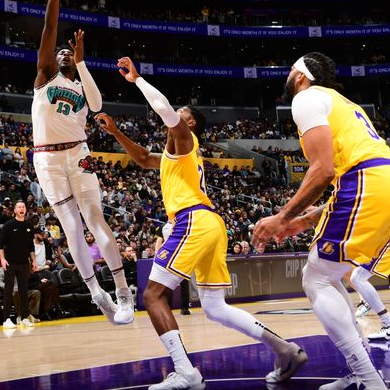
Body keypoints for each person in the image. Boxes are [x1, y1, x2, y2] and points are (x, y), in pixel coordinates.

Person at [96, 57, 306, 390]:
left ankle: (187, 372)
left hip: (192, 219)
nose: (177, 115)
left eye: (184, 113)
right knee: (214, 307)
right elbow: (141, 158)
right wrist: (116, 131)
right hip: (209, 223)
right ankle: (284, 350)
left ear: (191, 124)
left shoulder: (185, 140)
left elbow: (164, 109)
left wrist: (137, 80)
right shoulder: (171, 157)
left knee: (152, 297)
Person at [252, 53, 390, 390]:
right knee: (329, 274)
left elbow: (323, 170)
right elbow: (343, 173)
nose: (286, 77)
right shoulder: (338, 100)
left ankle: (369, 379)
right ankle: (361, 373)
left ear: (301, 75)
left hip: (370, 181)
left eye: (289, 70)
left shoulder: (306, 97)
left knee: (316, 279)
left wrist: (281, 217)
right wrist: (305, 219)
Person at [30, 0, 132, 324]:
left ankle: (123, 292)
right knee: (71, 227)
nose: (62, 53)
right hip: (47, 159)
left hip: (78, 154)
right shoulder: (44, 78)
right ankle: (96, 292)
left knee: (95, 220)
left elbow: (97, 103)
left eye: (67, 53)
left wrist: (83, 62)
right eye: (60, 52)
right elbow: (49, 27)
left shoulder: (81, 82)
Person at [0, 201, 37, 328]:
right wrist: (2, 260)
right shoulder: (8, 225)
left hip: (24, 263)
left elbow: (31, 246)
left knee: (23, 291)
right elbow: (0, 245)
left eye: (23, 207)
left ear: (25, 210)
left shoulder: (29, 226)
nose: (21, 209)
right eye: (19, 207)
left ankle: (24, 317)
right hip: (10, 262)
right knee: (8, 290)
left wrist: (34, 261)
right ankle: (6, 320)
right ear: (15, 210)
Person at [154, 221, 190, 316]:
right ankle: (168, 307)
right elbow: (159, 241)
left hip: (182, 256)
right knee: (167, 284)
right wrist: (157, 255)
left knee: (184, 283)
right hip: (168, 256)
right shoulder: (163, 226)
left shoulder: (183, 223)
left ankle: (185, 308)